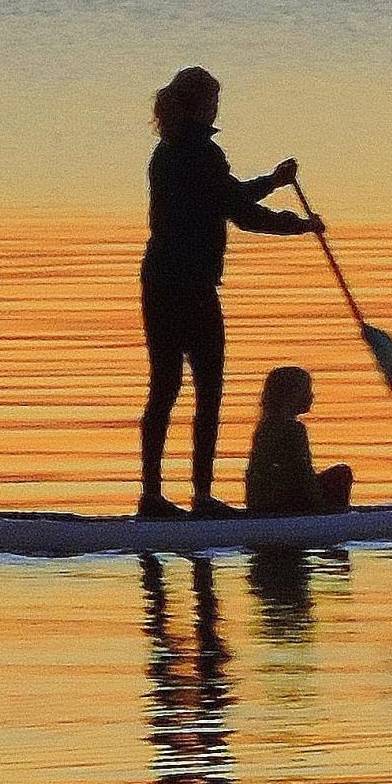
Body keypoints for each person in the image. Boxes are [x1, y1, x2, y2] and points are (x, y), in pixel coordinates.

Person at [139, 65, 318, 520]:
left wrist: (272, 186)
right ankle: (199, 498)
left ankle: (153, 496)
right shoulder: (202, 154)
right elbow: (240, 210)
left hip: (159, 283)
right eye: (213, 101)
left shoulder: (165, 152)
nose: (217, 108)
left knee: (164, 389)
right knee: (207, 391)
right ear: (199, 105)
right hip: (192, 287)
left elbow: (230, 202)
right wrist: (296, 224)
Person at [244, 365, 354, 517]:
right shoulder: (293, 430)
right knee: (341, 474)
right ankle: (335, 519)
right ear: (291, 396)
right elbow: (304, 474)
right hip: (284, 505)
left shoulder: (264, 427)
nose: (312, 396)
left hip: (262, 503)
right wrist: (321, 508)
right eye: (306, 391)